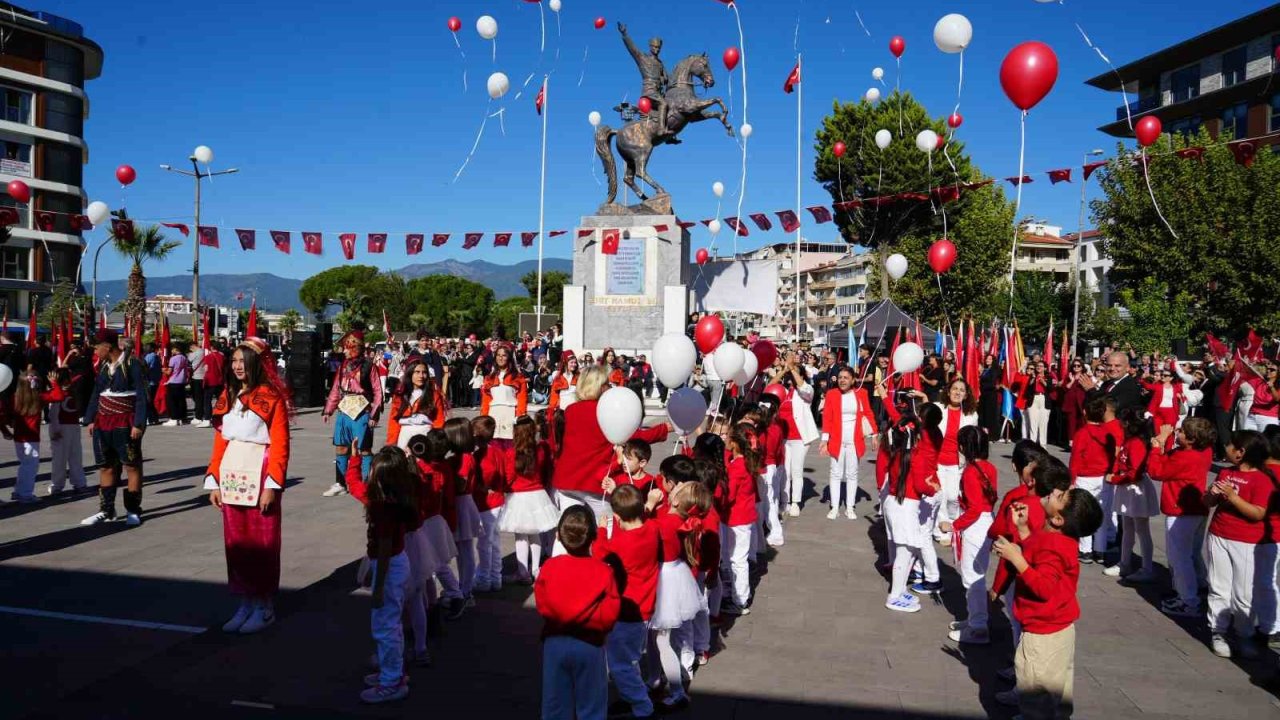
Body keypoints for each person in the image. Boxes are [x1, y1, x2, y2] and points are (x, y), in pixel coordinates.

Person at [204, 337, 292, 635]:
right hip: (231, 471)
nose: (237, 366)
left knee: (262, 542)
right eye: (234, 360)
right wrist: (214, 480)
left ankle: (264, 605)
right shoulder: (228, 394)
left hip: (260, 470)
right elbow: (221, 440)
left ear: (256, 363)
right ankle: (245, 601)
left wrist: (272, 486)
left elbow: (280, 445)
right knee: (236, 542)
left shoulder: (271, 397)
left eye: (243, 361)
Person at [992, 486, 1103, 720]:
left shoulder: (1053, 545)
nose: (1054, 491)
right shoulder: (1059, 539)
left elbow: (1044, 587)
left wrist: (1016, 558)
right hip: (1060, 628)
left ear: (1058, 519)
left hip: (1042, 634)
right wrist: (1024, 530)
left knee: (1036, 692)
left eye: (1060, 496)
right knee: (1057, 693)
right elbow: (1038, 554)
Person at [535, 505, 621, 720]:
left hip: (555, 641)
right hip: (590, 643)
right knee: (591, 706)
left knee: (555, 705)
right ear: (593, 537)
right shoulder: (603, 570)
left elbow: (543, 605)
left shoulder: (549, 567)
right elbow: (610, 612)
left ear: (558, 536)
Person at [551, 366, 669, 521]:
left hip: (566, 479)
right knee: (607, 526)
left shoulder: (570, 410)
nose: (610, 387)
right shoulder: (604, 410)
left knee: (569, 528)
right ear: (599, 387)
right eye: (607, 383)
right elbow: (633, 435)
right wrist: (664, 428)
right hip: (595, 481)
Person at [1203, 430, 1277, 659]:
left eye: (1230, 445)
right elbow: (1208, 502)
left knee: (1243, 593)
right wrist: (1212, 494)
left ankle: (1244, 633)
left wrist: (1234, 498)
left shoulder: (1263, 480)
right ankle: (1218, 631)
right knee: (1218, 586)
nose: (1226, 448)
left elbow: (1258, 513)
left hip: (1247, 542)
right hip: (1218, 534)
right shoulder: (1226, 472)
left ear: (1241, 452)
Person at [592, 484, 660, 719]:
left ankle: (642, 706)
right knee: (630, 659)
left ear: (618, 517)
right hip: (646, 605)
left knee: (620, 664)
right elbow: (639, 521)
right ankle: (631, 696)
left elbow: (600, 553)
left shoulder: (620, 545)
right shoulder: (652, 529)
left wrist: (602, 530)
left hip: (626, 611)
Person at [361, 447, 418, 704]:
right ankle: (393, 672)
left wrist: (378, 587)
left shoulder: (384, 508)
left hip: (390, 567)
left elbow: (384, 550)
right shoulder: (395, 503)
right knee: (391, 625)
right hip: (395, 564)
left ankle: (391, 681)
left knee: (385, 627)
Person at [1146, 417, 1216, 617]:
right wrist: (1164, 443)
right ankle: (1199, 585)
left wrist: (1157, 445)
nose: (1177, 432)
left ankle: (1188, 600)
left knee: (1179, 557)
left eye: (1182, 432)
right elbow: (1171, 457)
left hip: (1181, 513)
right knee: (1192, 552)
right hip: (1197, 509)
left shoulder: (1185, 457)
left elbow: (1157, 471)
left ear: (1192, 439)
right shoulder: (1204, 451)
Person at [81, 331, 149, 526]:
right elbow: (96, 393)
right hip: (103, 421)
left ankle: (133, 510)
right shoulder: (104, 366)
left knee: (131, 465)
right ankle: (107, 510)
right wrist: (91, 419)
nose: (95, 352)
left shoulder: (133, 364)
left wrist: (138, 423)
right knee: (106, 465)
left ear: (107, 346)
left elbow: (142, 395)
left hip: (125, 421)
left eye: (96, 348)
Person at [650, 481, 705, 713]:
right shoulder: (677, 520)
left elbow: (645, 533)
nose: (676, 484)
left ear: (675, 500)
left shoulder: (665, 523)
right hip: (674, 574)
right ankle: (654, 678)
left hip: (664, 580)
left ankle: (677, 691)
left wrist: (648, 505)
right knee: (654, 638)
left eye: (679, 487)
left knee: (662, 641)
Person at [943, 426, 997, 645]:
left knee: (972, 577)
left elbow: (974, 509)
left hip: (975, 526)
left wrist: (953, 525)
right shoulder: (989, 467)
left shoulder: (970, 472)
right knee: (976, 574)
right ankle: (974, 619)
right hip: (986, 520)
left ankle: (978, 627)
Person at [322, 328, 384, 498]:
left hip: (362, 411)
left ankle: (366, 483)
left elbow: (378, 391)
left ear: (356, 347)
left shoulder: (369, 366)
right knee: (341, 446)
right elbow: (336, 389)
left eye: (347, 347)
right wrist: (328, 410)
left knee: (364, 448)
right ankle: (341, 483)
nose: (344, 351)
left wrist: (374, 414)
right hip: (344, 411)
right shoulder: (343, 366)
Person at [499, 415, 561, 583]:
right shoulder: (540, 450)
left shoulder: (511, 453)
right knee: (535, 535)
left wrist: (503, 489)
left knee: (521, 537)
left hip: (518, 497)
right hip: (538, 495)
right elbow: (546, 471)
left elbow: (509, 477)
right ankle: (536, 569)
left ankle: (523, 573)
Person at [1103, 407, 1160, 582]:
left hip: (1135, 489)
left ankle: (1147, 568)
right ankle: (1125, 562)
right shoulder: (1130, 441)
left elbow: (1135, 472)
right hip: (1127, 488)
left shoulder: (1136, 443)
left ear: (1128, 423)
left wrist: (1115, 479)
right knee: (1127, 527)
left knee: (1142, 530)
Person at [819, 366, 878, 520]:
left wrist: (874, 434)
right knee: (835, 473)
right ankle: (834, 507)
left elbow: (868, 413)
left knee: (852, 474)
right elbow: (827, 417)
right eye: (840, 378)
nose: (842, 380)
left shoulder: (861, 393)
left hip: (854, 440)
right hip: (836, 440)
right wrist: (824, 440)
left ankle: (850, 507)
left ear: (853, 380)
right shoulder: (832, 394)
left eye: (846, 378)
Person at [1068, 396, 1121, 564]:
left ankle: (1085, 550)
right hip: (1103, 477)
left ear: (1085, 412)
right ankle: (1100, 549)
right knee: (1102, 514)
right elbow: (1113, 456)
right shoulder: (1108, 433)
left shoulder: (1082, 433)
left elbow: (1075, 459)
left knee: (1084, 514)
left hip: (1085, 477)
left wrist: (1071, 480)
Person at [928, 377, 979, 544]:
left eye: (961, 390)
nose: (957, 392)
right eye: (955, 389)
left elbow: (972, 442)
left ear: (966, 395)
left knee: (953, 497)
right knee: (941, 496)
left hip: (958, 463)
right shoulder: (937, 408)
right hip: (938, 462)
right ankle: (941, 532)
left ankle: (953, 526)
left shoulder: (971, 415)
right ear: (948, 391)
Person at [4, 367, 63, 502]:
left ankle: (19, 491)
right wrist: (54, 382)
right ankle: (25, 494)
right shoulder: (39, 397)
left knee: (24, 465)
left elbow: (6, 414)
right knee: (30, 467)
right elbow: (59, 396)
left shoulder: (14, 398)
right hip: (31, 438)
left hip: (19, 438)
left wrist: (8, 424)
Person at [771, 352, 817, 516]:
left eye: (795, 373)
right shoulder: (783, 391)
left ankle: (796, 502)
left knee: (796, 470)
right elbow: (769, 388)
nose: (791, 376)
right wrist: (784, 370)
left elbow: (803, 387)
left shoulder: (806, 391)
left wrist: (792, 367)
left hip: (799, 438)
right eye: (790, 375)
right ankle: (785, 501)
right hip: (783, 437)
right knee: (785, 471)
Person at [721, 426, 760, 615]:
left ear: (735, 443)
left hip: (737, 518)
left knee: (737, 560)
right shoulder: (744, 462)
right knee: (734, 558)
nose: (726, 439)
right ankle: (735, 594)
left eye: (728, 437)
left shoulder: (738, 467)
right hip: (742, 516)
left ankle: (740, 599)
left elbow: (729, 495)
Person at [471, 415, 506, 593]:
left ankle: (484, 578)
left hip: (486, 503)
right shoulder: (497, 451)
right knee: (494, 541)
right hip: (498, 500)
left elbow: (489, 472)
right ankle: (495, 576)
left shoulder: (480, 455)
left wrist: (482, 486)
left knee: (484, 544)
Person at [386, 358, 446, 448]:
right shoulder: (400, 395)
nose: (421, 376)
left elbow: (439, 420)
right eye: (417, 372)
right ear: (410, 373)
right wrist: (391, 443)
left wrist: (436, 441)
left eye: (424, 372)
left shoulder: (434, 395)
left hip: (426, 434)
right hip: (405, 434)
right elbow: (394, 420)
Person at [46, 367, 86, 496]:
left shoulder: (72, 391)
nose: (70, 380)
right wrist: (55, 430)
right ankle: (57, 484)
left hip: (74, 427)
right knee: (59, 458)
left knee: (76, 456)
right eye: (68, 378)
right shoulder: (56, 393)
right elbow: (53, 414)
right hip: (61, 428)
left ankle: (79, 482)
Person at [480, 344, 528, 442]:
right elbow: (486, 400)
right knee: (493, 443)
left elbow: (522, 399)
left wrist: (520, 416)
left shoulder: (518, 377)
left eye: (504, 355)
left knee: (510, 444)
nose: (500, 358)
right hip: (493, 414)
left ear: (509, 358)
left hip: (510, 414)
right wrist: (484, 417)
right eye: (498, 355)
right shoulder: (489, 378)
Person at [1083, 351, 1144, 415]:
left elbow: (1111, 408)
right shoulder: (1106, 384)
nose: (1112, 368)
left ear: (1127, 367)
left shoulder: (1132, 386)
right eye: (1109, 365)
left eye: (1117, 366)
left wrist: (1091, 390)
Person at [196, 341, 225, 429]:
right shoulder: (222, 356)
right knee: (220, 401)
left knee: (207, 401)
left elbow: (206, 369)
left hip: (210, 381)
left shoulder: (208, 357)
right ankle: (221, 418)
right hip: (220, 381)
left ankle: (207, 419)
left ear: (212, 347)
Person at [163, 341, 191, 426]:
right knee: (181, 401)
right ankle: (182, 418)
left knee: (172, 401)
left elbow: (169, 372)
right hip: (182, 381)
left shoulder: (173, 359)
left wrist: (163, 370)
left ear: (176, 349)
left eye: (172, 349)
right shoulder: (184, 358)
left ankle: (174, 418)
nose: (171, 350)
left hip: (173, 381)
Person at [188, 341, 206, 425]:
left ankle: (198, 416)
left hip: (196, 377)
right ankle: (205, 414)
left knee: (198, 398)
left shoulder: (193, 354)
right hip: (204, 377)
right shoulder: (205, 351)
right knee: (204, 398)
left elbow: (188, 360)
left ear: (192, 346)